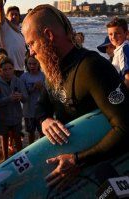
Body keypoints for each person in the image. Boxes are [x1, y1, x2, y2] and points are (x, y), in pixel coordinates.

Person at [22, 4, 129, 190]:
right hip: (71, 173)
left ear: (49, 35)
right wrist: (45, 120)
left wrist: (78, 160)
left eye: (31, 43)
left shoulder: (92, 67)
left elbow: (126, 127)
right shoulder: (53, 70)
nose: (30, 51)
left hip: (102, 171)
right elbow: (41, 107)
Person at [0, 55, 28, 161]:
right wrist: (9, 98)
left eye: (10, 69)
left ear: (13, 68)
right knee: (4, 138)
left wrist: (21, 96)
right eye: (4, 70)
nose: (7, 72)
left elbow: (26, 98)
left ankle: (22, 157)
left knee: (17, 137)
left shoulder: (18, 81)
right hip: (3, 117)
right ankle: (5, 159)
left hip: (16, 116)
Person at [0, 0, 26, 77]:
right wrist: (0, 5)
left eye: (16, 15)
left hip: (21, 70)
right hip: (7, 70)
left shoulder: (21, 33)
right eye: (11, 14)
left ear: (19, 17)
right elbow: (0, 11)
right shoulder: (5, 26)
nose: (14, 16)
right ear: (7, 17)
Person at [20, 55, 45, 145]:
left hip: (41, 111)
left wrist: (42, 88)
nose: (32, 66)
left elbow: (49, 94)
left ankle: (42, 149)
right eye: (29, 64)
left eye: (34, 64)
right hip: (28, 112)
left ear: (39, 63)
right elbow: (23, 95)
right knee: (30, 133)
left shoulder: (43, 76)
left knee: (43, 133)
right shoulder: (24, 77)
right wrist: (33, 88)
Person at [106, 17, 129, 88]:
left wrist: (121, 95)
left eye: (117, 33)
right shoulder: (120, 49)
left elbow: (128, 77)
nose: (113, 37)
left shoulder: (124, 49)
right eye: (110, 34)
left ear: (126, 33)